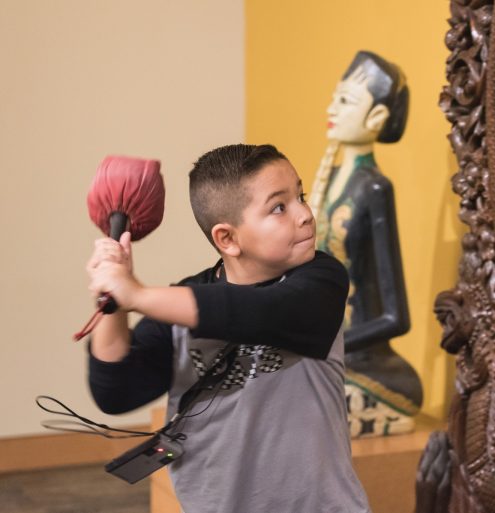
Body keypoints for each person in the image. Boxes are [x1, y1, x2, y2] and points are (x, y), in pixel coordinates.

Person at [86, 144, 371, 513]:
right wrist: (115, 299)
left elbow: (261, 311)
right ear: (228, 239)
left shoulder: (321, 280)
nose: (305, 214)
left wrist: (137, 294)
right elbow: (115, 392)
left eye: (300, 196)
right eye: (279, 207)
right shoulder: (179, 306)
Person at [308, 50, 423, 438]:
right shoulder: (332, 180)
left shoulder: (374, 188)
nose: (332, 107)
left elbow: (396, 317)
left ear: (376, 118)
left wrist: (329, 342)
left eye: (346, 101)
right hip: (322, 349)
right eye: (334, 97)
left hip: (361, 360)